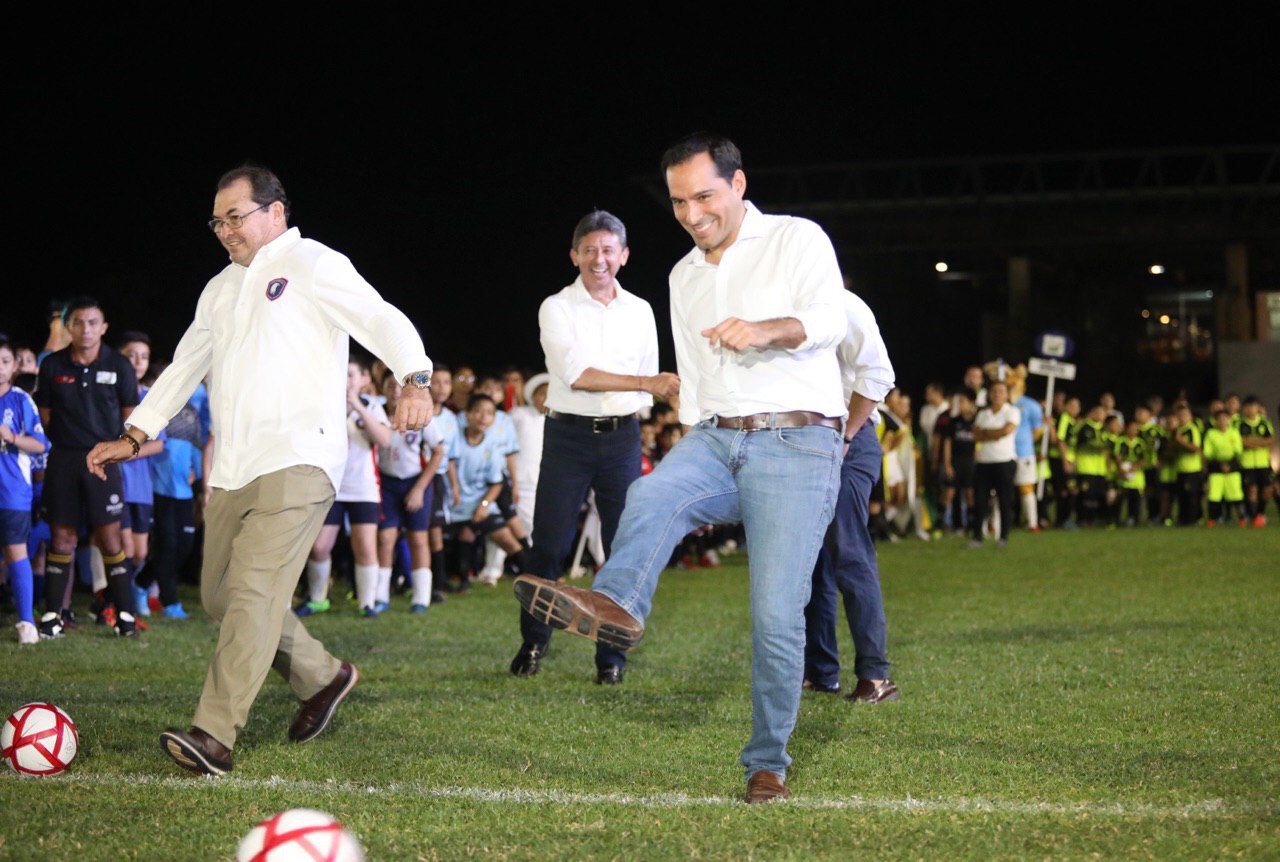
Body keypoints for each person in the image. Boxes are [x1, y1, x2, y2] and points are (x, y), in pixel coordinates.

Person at [514, 133, 847, 803]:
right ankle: (618, 603)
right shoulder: (682, 276)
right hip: (717, 438)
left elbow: (830, 318)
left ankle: (767, 762)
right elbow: (695, 380)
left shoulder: (796, 239)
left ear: (738, 185)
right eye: (677, 202)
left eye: (704, 196)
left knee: (775, 614)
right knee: (650, 495)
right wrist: (690, 454)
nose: (692, 215)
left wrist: (765, 329)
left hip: (797, 443)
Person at [84, 165, 434, 777]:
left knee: (250, 592)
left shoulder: (312, 262)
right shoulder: (219, 289)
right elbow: (182, 367)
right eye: (217, 221)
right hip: (236, 467)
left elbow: (381, 318)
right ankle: (322, 678)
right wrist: (135, 432)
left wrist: (415, 377)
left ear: (276, 212)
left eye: (236, 216)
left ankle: (214, 735)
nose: (225, 230)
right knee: (222, 595)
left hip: (300, 457)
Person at [511, 210, 679, 684]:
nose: (598, 258)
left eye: (608, 250)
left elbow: (645, 391)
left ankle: (611, 660)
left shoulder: (641, 310)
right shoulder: (556, 307)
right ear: (574, 255)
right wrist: (649, 382)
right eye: (589, 249)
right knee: (550, 544)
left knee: (620, 546)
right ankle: (533, 641)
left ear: (623, 256)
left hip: (623, 438)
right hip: (567, 436)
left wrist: (648, 391)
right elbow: (577, 375)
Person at [802, 290, 897, 702]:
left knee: (847, 550)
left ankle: (876, 677)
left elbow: (878, 376)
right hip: (804, 442)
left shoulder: (846, 306)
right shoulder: (779, 306)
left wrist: (847, 435)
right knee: (813, 562)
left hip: (848, 438)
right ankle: (821, 671)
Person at [35, 297, 142, 637]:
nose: (86, 329)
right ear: (69, 327)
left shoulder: (119, 365)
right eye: (79, 322)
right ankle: (53, 617)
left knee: (110, 539)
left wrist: (109, 449)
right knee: (62, 538)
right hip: (64, 459)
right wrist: (72, 444)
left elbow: (131, 418)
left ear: (104, 327)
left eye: (93, 322)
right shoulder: (52, 365)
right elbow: (46, 418)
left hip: (105, 459)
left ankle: (125, 615)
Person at [0, 339, 50, 644]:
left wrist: (12, 437)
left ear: (14, 365)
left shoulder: (21, 400)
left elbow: (40, 444)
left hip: (12, 493)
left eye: (4, 361)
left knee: (16, 553)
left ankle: (26, 623)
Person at [968, 380, 1020, 548]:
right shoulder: (983, 413)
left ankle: (1003, 536)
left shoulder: (1011, 411)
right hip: (984, 462)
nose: (997, 395)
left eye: (1001, 391)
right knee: (980, 501)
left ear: (1006, 395)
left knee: (1004, 500)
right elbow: (976, 434)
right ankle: (977, 537)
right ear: (990, 394)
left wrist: (987, 433)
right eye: (995, 391)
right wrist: (994, 434)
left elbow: (1006, 431)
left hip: (1004, 461)